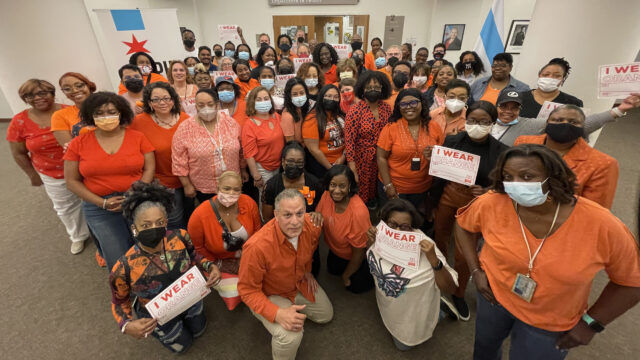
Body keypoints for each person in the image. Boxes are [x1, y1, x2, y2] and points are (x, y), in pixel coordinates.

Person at [455, 144, 640, 360]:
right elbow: (463, 226)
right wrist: (476, 271)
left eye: (527, 176)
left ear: (554, 178)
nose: (516, 185)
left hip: (549, 322)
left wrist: (591, 324)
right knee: (485, 349)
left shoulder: (603, 225)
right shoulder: (493, 203)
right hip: (494, 298)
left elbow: (632, 282)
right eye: (508, 176)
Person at [110, 181, 220, 353]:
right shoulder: (123, 268)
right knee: (181, 343)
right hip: (158, 317)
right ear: (134, 228)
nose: (154, 228)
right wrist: (125, 324)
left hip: (191, 298)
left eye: (159, 222)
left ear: (166, 222)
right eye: (145, 225)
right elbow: (120, 301)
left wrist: (210, 266)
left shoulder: (181, 237)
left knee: (199, 326)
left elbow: (194, 256)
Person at [431, 101, 508, 321]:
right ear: (467, 120)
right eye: (473, 120)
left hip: (475, 204)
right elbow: (439, 172)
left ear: (493, 123)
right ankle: (439, 279)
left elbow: (504, 183)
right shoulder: (453, 139)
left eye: (484, 122)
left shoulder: (501, 151)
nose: (477, 125)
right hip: (447, 196)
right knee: (440, 239)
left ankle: (458, 292)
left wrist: (486, 190)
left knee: (466, 254)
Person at [238, 189, 334, 360]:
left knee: (326, 315)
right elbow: (247, 290)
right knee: (290, 336)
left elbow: (310, 249)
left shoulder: (312, 226)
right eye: (287, 215)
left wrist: (307, 271)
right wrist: (277, 313)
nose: (295, 222)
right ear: (275, 214)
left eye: (299, 213)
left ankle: (291, 309)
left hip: (298, 283)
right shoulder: (256, 247)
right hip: (270, 294)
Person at [64, 92, 155, 270]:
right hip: (99, 207)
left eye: (112, 112)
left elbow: (149, 168)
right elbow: (71, 181)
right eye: (99, 113)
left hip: (138, 198)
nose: (106, 117)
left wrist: (135, 193)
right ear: (90, 115)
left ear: (121, 113)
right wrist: (102, 203)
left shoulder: (137, 137)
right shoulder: (78, 143)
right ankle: (125, 293)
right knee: (116, 256)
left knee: (149, 248)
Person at [7, 79, 90, 254]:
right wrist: (32, 175)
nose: (38, 98)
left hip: (84, 167)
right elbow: (18, 152)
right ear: (25, 98)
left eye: (43, 93)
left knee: (92, 202)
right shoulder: (19, 121)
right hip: (51, 172)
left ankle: (98, 230)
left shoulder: (69, 112)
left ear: (52, 93)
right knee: (65, 206)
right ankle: (78, 236)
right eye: (31, 95)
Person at [366, 198, 458, 351]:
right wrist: (371, 241)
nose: (398, 231)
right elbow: (371, 257)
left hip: (414, 308)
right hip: (388, 298)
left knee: (403, 346)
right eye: (393, 224)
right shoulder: (378, 233)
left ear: (413, 228)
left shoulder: (427, 246)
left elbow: (450, 288)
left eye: (405, 227)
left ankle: (439, 310)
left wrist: (434, 260)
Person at [514, 105, 618, 209]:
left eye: (573, 122)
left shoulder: (602, 164)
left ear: (582, 127)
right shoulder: (523, 142)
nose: (565, 124)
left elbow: (594, 210)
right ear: (547, 123)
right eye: (558, 120)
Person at [130, 82, 190, 229]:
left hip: (189, 179)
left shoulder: (185, 119)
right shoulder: (138, 122)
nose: (162, 103)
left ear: (173, 99)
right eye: (156, 99)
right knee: (174, 221)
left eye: (166, 98)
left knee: (190, 215)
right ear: (149, 102)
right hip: (162, 183)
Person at [172, 88, 245, 203]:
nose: (206, 108)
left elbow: (241, 150)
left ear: (217, 105)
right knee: (210, 216)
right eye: (201, 105)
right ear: (196, 107)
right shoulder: (185, 128)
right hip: (203, 188)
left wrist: (243, 169)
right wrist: (186, 185)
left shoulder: (230, 123)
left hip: (232, 184)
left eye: (210, 104)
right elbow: (179, 160)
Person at [491, 90, 640, 146]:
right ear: (496, 106)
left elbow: (581, 124)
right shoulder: (485, 122)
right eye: (503, 106)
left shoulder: (530, 125)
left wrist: (619, 110)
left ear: (520, 109)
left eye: (514, 108)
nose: (508, 112)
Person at [377, 88, 444, 211]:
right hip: (395, 187)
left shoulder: (433, 127)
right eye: (403, 104)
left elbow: (442, 158)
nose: (409, 107)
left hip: (422, 189)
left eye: (413, 103)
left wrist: (433, 157)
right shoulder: (391, 128)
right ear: (398, 107)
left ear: (422, 104)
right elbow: (381, 157)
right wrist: (388, 186)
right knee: (393, 222)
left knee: (415, 223)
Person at [317, 165, 373, 293]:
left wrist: (347, 274)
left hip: (356, 256)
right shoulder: (326, 195)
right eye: (333, 185)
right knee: (332, 270)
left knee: (353, 286)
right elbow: (318, 216)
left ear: (350, 186)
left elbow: (359, 251)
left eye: (342, 186)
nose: (336, 191)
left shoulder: (358, 213)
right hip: (335, 250)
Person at [188, 171, 260, 270]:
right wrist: (215, 265)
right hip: (216, 263)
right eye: (226, 189)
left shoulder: (249, 203)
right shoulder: (199, 215)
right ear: (217, 189)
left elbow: (258, 232)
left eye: (236, 190)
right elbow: (197, 249)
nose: (231, 193)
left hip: (249, 258)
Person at [345, 71, 393, 205]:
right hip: (362, 159)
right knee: (362, 191)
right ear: (362, 89)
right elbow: (349, 142)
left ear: (383, 88)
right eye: (369, 87)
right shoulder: (355, 111)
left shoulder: (386, 108)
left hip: (383, 158)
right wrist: (353, 168)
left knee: (379, 190)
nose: (373, 90)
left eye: (377, 87)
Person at [241, 86, 285, 207]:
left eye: (266, 98)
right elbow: (249, 154)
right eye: (259, 99)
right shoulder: (249, 125)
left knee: (279, 195)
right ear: (252, 103)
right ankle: (265, 222)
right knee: (266, 198)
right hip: (262, 168)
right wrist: (256, 175)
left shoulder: (277, 116)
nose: (263, 102)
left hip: (279, 165)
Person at [262, 141, 323, 221]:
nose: (294, 166)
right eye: (290, 161)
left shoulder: (315, 184)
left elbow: (321, 213)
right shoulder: (271, 186)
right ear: (283, 162)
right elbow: (268, 219)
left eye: (299, 162)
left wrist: (317, 215)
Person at [303, 84, 346, 178]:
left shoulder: (341, 115)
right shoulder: (312, 119)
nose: (332, 99)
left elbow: (349, 138)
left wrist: (343, 157)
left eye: (336, 97)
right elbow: (313, 149)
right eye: (329, 96)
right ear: (321, 97)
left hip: (343, 161)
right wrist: (331, 168)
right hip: (322, 166)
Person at [519, 58, 583, 118]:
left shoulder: (573, 103)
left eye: (557, 76)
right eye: (546, 74)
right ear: (539, 75)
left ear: (562, 80)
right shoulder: (518, 98)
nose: (550, 78)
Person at [51, 72, 96, 146]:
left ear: (88, 86)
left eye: (79, 86)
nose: (75, 90)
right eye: (67, 89)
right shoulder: (60, 116)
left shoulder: (109, 106)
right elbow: (71, 150)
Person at [281, 77, 311, 144]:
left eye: (301, 93)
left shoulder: (305, 108)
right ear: (289, 96)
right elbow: (291, 144)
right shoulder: (287, 116)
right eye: (295, 94)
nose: (299, 97)